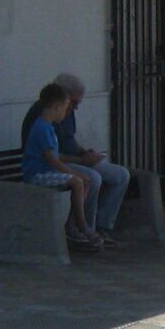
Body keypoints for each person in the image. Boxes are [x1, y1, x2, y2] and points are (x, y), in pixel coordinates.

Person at [26, 71, 129, 241]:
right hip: (47, 168)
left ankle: (99, 225)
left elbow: (68, 141)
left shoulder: (57, 117)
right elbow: (52, 157)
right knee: (91, 178)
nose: (74, 108)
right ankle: (84, 229)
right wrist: (79, 164)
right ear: (59, 103)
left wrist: (84, 153)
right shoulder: (43, 121)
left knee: (120, 175)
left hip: (69, 160)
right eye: (72, 103)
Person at [19, 83, 106, 251]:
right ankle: (82, 226)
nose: (66, 113)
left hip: (46, 171)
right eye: (65, 108)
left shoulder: (48, 127)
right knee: (78, 182)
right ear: (56, 106)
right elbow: (52, 160)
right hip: (37, 174)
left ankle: (71, 224)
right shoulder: (42, 128)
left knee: (85, 181)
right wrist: (73, 173)